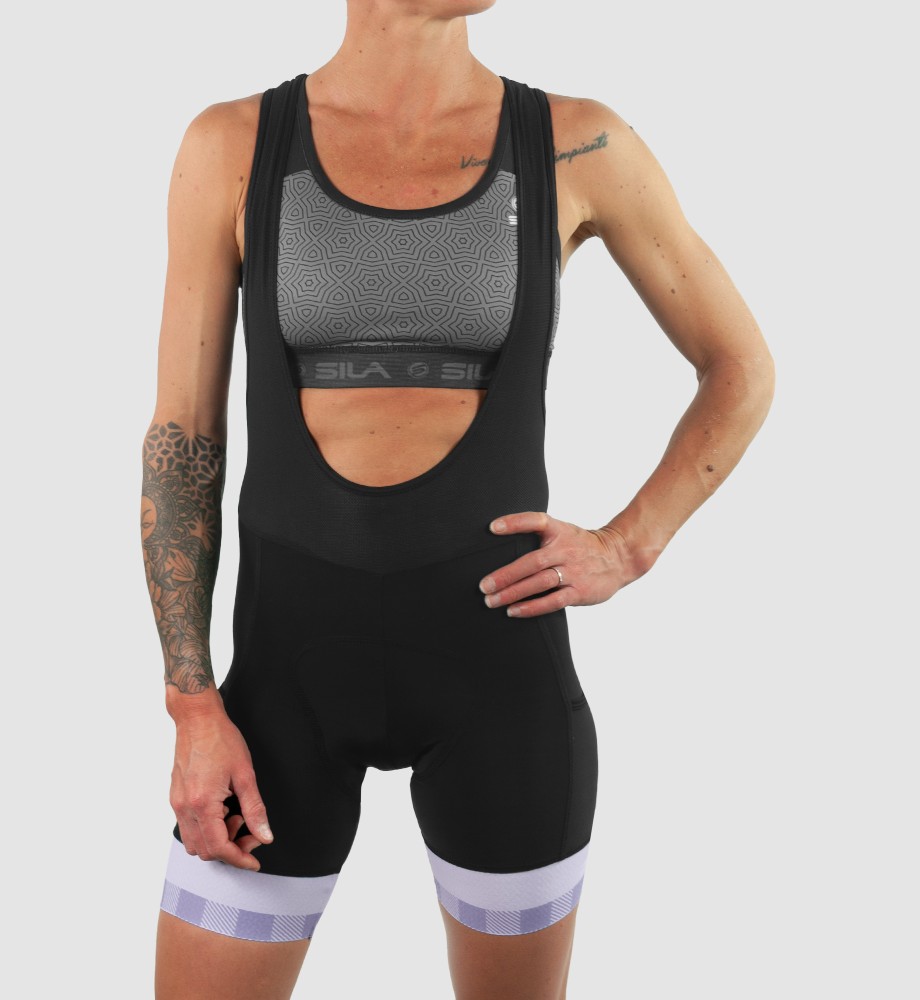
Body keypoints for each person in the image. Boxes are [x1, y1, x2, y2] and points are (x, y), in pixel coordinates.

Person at [140, 2, 775, 997]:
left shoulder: (576, 141)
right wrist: (191, 703)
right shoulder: (233, 144)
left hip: (502, 693)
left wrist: (630, 544)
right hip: (278, 702)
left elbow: (739, 366)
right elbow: (185, 437)